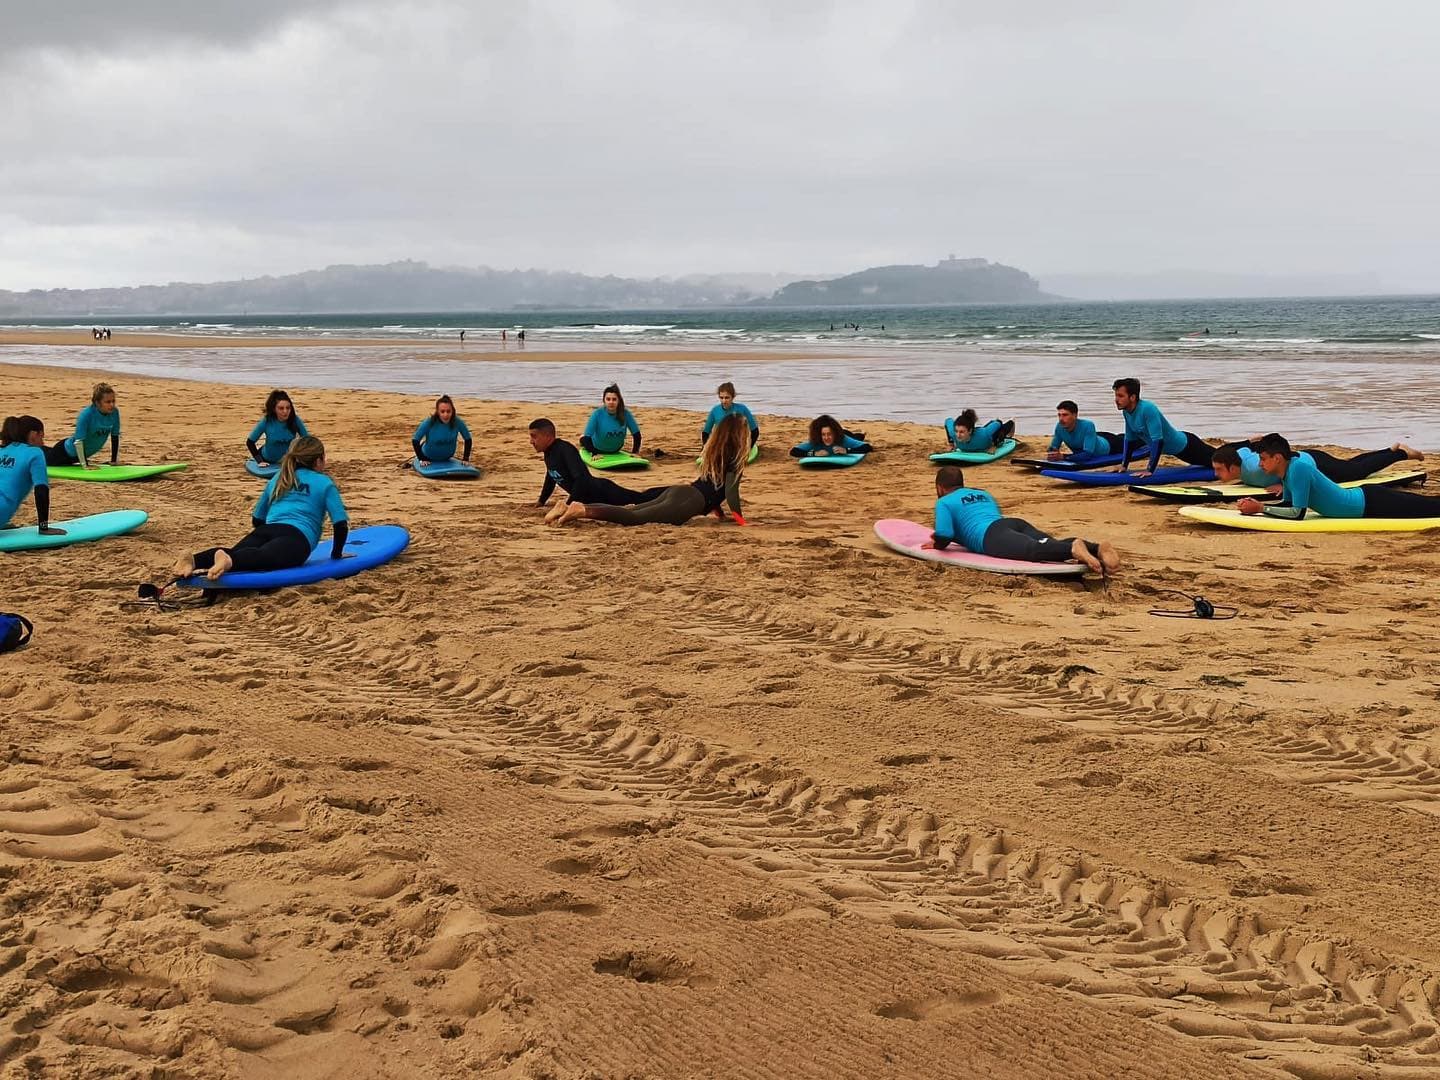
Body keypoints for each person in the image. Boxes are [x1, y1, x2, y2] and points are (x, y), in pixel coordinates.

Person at [163, 437, 348, 582]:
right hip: (298, 537)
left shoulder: (279, 477)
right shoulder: (324, 483)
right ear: (318, 461)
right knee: (263, 557)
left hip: (267, 529)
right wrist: (336, 555)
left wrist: (263, 536)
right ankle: (227, 561)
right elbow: (340, 524)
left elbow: (257, 517)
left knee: (235, 553)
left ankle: (194, 560)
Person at [557, 414, 750, 528]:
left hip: (682, 491)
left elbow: (713, 484)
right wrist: (741, 521)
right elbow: (730, 493)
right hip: (690, 501)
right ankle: (581, 510)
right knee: (634, 518)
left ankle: (566, 509)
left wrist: (719, 513)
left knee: (631, 510)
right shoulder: (735, 460)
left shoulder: (718, 453)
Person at [923, 465, 1119, 574]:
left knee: (1034, 551)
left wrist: (937, 544)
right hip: (1011, 524)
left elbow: (945, 533)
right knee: (1046, 543)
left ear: (940, 487)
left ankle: (1073, 548)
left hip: (991, 537)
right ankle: (1096, 547)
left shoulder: (944, 502)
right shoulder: (983, 494)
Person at [1238, 435, 1440, 521]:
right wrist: (1257, 505)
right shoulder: (1287, 470)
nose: (1259, 464)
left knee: (1430, 508)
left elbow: (1297, 513)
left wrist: (1261, 509)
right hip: (1366, 500)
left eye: (1263, 459)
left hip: (1370, 503)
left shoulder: (1298, 468)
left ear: (1278, 457)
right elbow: (1289, 503)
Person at [530, 418, 662, 523]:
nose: (531, 441)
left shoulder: (565, 449)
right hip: (592, 498)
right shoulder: (548, 453)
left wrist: (569, 504)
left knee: (641, 499)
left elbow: (581, 479)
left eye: (534, 436)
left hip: (603, 491)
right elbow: (551, 476)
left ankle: (669, 492)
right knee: (640, 498)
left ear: (547, 436)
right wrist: (541, 501)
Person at [1212, 438, 1422, 491]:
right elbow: (1244, 448)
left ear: (1232, 467)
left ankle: (1401, 453)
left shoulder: (1255, 470)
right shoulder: (1239, 455)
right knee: (1349, 466)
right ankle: (1390, 450)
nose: (1216, 473)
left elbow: (1284, 462)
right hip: (1308, 456)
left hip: (1313, 464)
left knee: (1354, 472)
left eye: (1219, 469)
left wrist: (1284, 484)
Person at [1111, 377, 1213, 477]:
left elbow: (1158, 441)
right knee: (1212, 463)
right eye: (1116, 396)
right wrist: (1124, 466)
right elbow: (1129, 440)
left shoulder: (1148, 409)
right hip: (1178, 452)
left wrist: (1149, 470)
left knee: (1220, 462)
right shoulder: (1127, 412)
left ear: (1132, 397)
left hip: (1188, 446)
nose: (1116, 400)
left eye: (1120, 396)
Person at [0, 416, 62, 536]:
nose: (43, 443)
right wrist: (44, 527)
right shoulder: (35, 453)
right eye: (41, 436)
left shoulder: (2, 450)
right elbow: (41, 490)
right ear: (33, 434)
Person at [47, 382, 120, 467]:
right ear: (97, 402)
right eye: (107, 402)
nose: (112, 405)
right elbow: (78, 441)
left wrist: (113, 461)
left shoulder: (114, 412)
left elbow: (115, 436)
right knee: (45, 459)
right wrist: (85, 465)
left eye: (113, 401)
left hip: (80, 457)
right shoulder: (87, 414)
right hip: (64, 453)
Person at [247, 389, 310, 467]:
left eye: (288, 408)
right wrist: (259, 461)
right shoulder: (267, 421)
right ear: (274, 409)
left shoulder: (295, 420)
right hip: (267, 459)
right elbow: (250, 442)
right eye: (281, 408)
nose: (285, 411)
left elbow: (308, 440)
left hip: (287, 460)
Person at [1047, 400, 1123, 460]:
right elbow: (1053, 448)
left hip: (1111, 444)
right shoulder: (1059, 427)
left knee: (1130, 441)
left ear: (1075, 415)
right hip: (1095, 437)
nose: (1061, 419)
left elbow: (1087, 455)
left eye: (1065, 415)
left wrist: (1063, 457)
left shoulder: (1088, 425)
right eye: (1059, 415)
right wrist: (1052, 451)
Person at [581, 384, 642, 455]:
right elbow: (587, 437)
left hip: (616, 449)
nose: (611, 402)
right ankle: (581, 438)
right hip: (597, 448)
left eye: (614, 399)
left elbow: (637, 434)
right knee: (584, 439)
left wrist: (635, 452)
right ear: (604, 400)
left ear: (618, 400)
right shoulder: (597, 414)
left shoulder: (625, 413)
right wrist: (594, 453)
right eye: (608, 399)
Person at [412, 394, 473, 463]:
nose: (446, 415)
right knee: (423, 445)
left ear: (452, 411)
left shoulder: (457, 421)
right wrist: (421, 459)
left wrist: (465, 458)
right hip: (427, 456)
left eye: (448, 411)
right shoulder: (429, 422)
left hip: (447, 457)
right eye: (442, 411)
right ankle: (424, 444)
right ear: (438, 412)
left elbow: (468, 439)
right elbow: (415, 440)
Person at [701, 381, 760, 446]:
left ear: (733, 397)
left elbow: (755, 431)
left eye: (727, 397)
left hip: (738, 442)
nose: (724, 401)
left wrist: (749, 447)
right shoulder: (715, 410)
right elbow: (706, 432)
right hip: (721, 442)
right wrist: (706, 448)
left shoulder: (742, 409)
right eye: (721, 397)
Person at [790, 415, 872, 457]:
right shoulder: (816, 442)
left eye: (829, 434)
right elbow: (794, 451)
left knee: (856, 437)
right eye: (823, 435)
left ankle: (861, 433)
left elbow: (867, 447)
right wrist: (814, 453)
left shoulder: (843, 439)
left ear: (834, 433)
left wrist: (846, 450)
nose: (826, 438)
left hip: (844, 433)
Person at [945, 408, 1016, 453]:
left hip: (989, 432)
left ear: (969, 431)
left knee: (1001, 435)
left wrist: (994, 445)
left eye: (962, 432)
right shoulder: (953, 433)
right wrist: (951, 443)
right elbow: (948, 420)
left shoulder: (984, 435)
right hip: (981, 431)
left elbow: (998, 423)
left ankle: (1012, 421)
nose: (958, 435)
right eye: (956, 431)